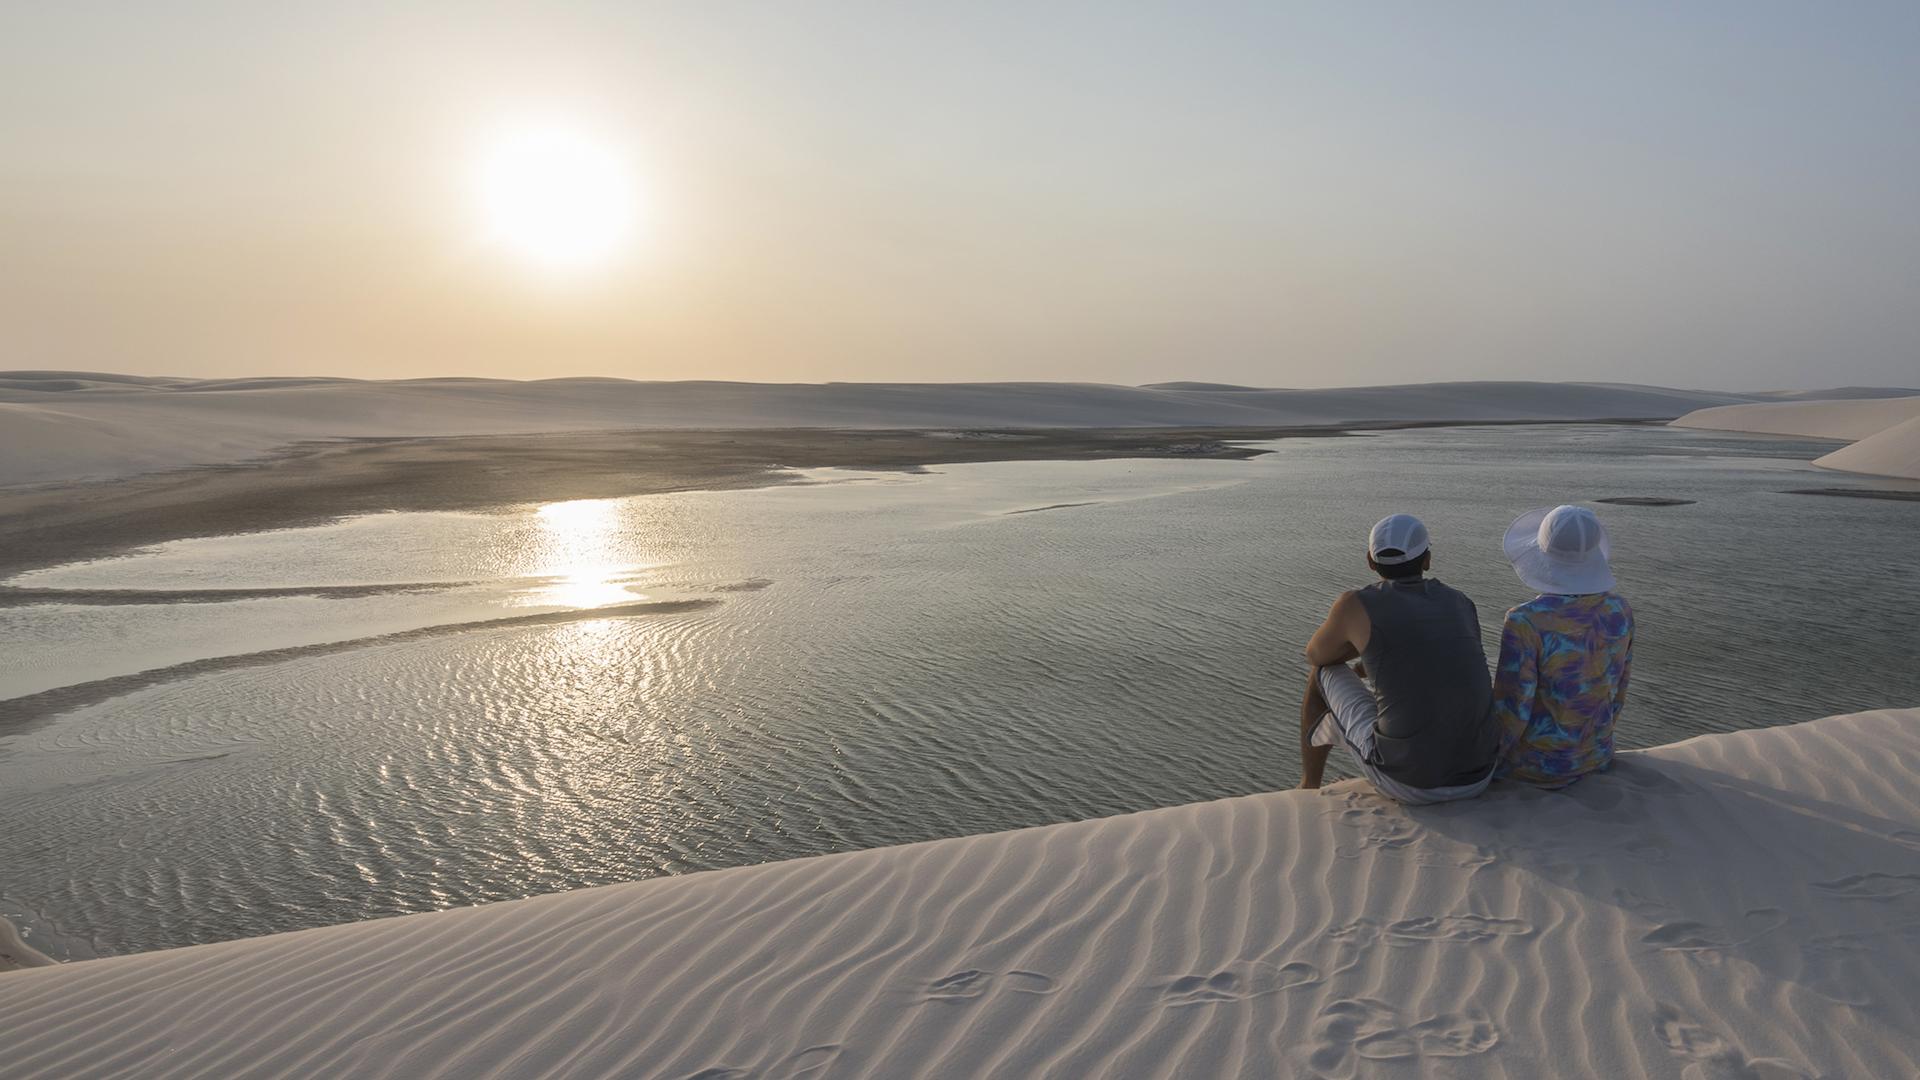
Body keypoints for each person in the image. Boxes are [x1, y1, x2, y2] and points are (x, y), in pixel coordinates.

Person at [1297, 513, 1499, 803]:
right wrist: (1374, 656)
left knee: (1320, 674)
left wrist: (1363, 648)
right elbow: (1439, 659)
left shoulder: (1355, 604)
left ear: (1370, 560)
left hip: (1408, 782)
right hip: (1479, 775)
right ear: (1427, 559)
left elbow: (1316, 655)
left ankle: (1308, 786)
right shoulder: (1460, 602)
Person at [1491, 504, 1634, 787]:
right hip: (1597, 755)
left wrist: (1490, 758)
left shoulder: (1525, 621)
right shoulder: (1620, 610)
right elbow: (1619, 691)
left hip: (1537, 766)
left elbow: (1514, 708)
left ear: (1542, 554)